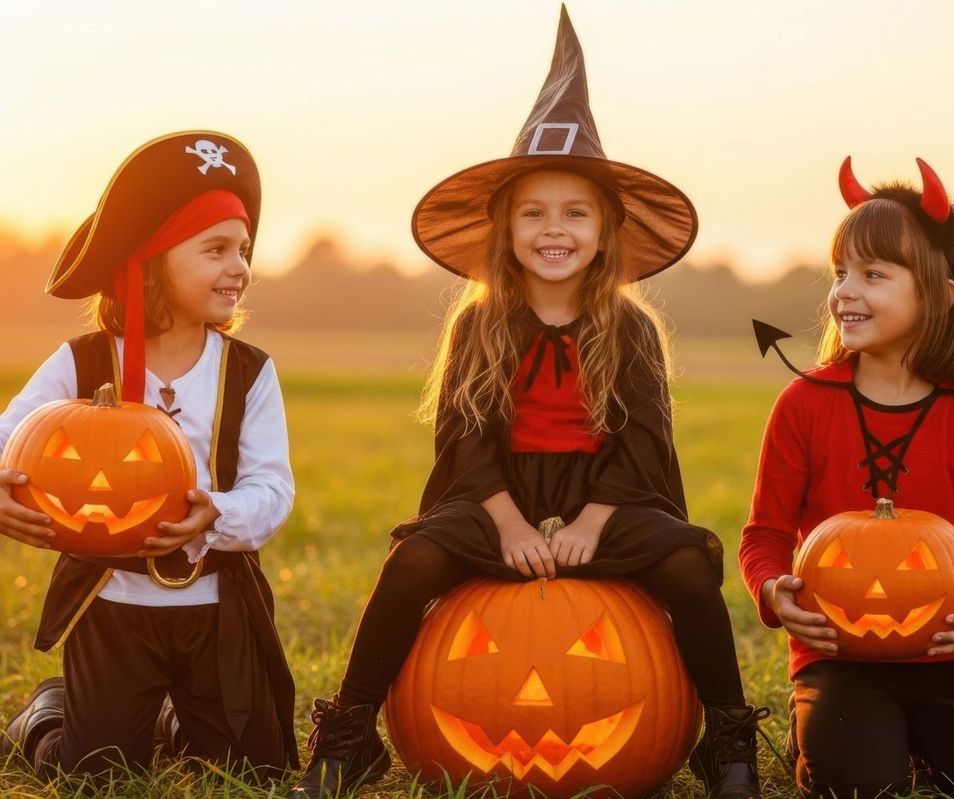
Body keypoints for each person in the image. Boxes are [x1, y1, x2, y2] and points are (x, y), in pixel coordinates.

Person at [290, 9, 766, 799]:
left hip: (609, 498)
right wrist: (509, 525)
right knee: (413, 561)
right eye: (534, 212)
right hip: (497, 495)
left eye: (576, 213)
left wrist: (590, 523)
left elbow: (643, 443)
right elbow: (465, 441)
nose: (555, 229)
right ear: (505, 227)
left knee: (687, 563)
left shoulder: (631, 328)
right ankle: (349, 733)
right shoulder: (479, 323)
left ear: (605, 229)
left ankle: (728, 738)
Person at [0, 131, 298, 780]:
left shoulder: (249, 372)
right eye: (215, 249)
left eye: (243, 249)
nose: (239, 267)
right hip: (111, 606)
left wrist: (216, 512)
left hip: (217, 608)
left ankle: (174, 718)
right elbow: (7, 438)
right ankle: (50, 713)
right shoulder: (82, 360)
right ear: (152, 259)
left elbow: (272, 489)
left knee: (252, 774)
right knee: (94, 774)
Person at [739, 156, 954, 798]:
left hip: (947, 655)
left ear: (941, 293)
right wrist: (774, 592)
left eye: (873, 275)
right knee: (859, 783)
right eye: (840, 272)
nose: (845, 291)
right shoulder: (804, 403)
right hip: (837, 655)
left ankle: (913, 731)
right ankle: (821, 727)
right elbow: (764, 535)